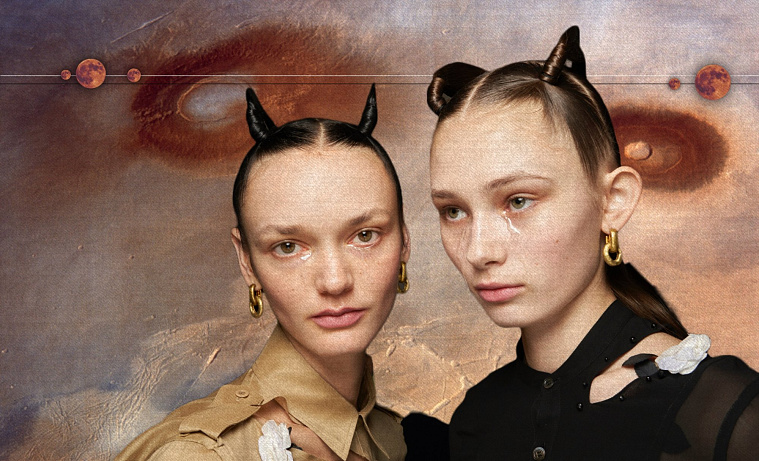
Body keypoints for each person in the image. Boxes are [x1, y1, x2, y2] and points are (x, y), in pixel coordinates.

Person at [425, 26, 759, 459]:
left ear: (613, 201)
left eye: (519, 200)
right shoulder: (476, 419)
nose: (478, 252)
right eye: (453, 211)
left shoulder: (721, 413)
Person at [116, 85, 409, 461]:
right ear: (247, 262)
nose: (335, 281)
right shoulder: (201, 455)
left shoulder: (402, 440)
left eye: (365, 236)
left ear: (404, 243)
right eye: (288, 246)